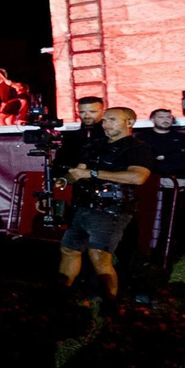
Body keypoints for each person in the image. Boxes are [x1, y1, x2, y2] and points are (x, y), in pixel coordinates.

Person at [58, 107, 154, 305]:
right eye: (104, 120)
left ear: (129, 123)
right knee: (69, 250)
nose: (105, 124)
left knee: (100, 256)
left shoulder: (137, 148)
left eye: (111, 119)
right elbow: (79, 171)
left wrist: (93, 174)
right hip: (83, 207)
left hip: (112, 210)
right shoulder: (96, 145)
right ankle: (62, 294)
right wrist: (63, 181)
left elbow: (138, 177)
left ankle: (109, 304)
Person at [53, 95, 107, 188]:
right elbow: (60, 163)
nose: (87, 116)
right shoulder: (72, 137)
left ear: (103, 111)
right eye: (82, 112)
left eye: (92, 112)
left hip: (107, 185)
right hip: (77, 187)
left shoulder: (110, 134)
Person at [137, 109, 185, 180]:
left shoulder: (183, 137)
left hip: (179, 179)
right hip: (150, 179)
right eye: (161, 117)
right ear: (152, 120)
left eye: (168, 117)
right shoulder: (143, 137)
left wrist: (166, 157)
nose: (165, 120)